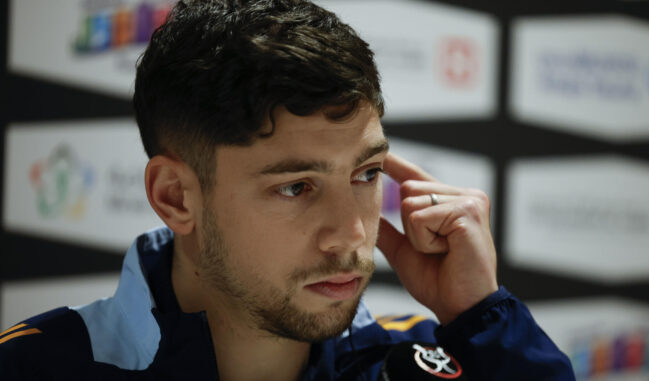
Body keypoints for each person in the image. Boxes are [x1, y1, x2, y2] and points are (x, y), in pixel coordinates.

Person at [0, 0, 575, 379]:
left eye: (366, 174)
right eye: (297, 187)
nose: (353, 237)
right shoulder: (36, 366)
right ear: (176, 197)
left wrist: (481, 317)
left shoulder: (436, 357)